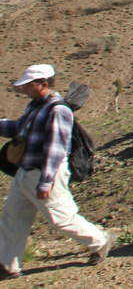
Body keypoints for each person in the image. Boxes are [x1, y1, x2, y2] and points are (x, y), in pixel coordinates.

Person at [0, 65, 109, 279]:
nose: (25, 89)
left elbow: (56, 148)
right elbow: (19, 129)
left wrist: (45, 182)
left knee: (61, 218)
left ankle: (100, 241)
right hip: (25, 171)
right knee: (12, 218)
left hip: (45, 173)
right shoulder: (35, 106)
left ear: (43, 84)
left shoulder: (58, 110)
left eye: (28, 85)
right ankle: (8, 265)